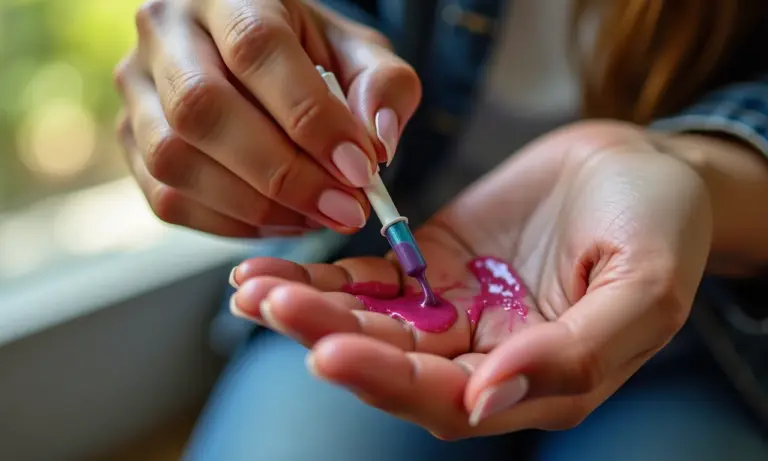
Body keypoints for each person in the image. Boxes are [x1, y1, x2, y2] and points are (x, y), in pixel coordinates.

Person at [114, 0, 768, 459]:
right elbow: (300, 25)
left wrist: (693, 175)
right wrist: (242, 58)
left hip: (705, 316)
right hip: (363, 276)